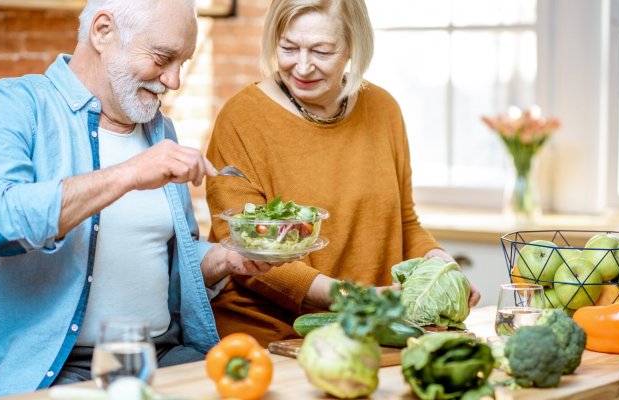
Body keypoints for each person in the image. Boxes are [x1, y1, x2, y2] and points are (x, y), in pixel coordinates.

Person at [0, 0, 274, 398]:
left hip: (161, 357)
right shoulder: (17, 104)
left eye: (183, 63)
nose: (174, 81)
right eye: (162, 58)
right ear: (103, 32)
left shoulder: (160, 130)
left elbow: (165, 258)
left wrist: (224, 259)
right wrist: (129, 174)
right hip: (48, 370)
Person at [205, 0, 481, 347]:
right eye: (288, 47)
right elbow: (246, 251)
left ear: (353, 45)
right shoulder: (242, 118)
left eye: (322, 51)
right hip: (274, 338)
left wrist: (442, 268)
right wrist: (353, 298)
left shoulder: (383, 110)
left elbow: (404, 222)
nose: (302, 67)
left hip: (370, 331)